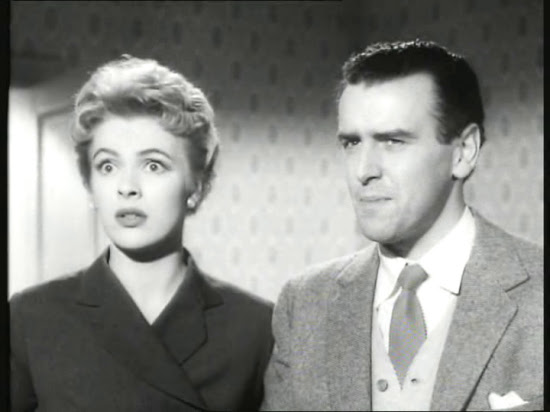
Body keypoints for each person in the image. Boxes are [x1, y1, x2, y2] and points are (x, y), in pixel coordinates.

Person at [261, 40, 543, 411]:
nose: (363, 171)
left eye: (393, 141)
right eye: (351, 143)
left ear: (464, 152)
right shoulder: (305, 302)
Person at [10, 56, 273, 412]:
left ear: (196, 185)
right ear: (90, 185)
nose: (127, 187)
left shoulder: (254, 328)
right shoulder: (31, 318)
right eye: (107, 165)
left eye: (153, 165)